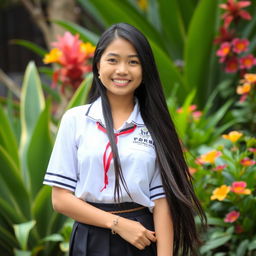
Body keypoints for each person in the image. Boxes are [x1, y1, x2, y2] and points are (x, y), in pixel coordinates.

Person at [43, 22, 206, 256]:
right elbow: (60, 200)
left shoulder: (156, 126)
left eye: (133, 61)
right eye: (113, 60)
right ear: (97, 65)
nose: (122, 70)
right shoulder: (75, 120)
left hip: (142, 239)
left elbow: (162, 203)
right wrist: (118, 225)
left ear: (144, 69)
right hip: (90, 239)